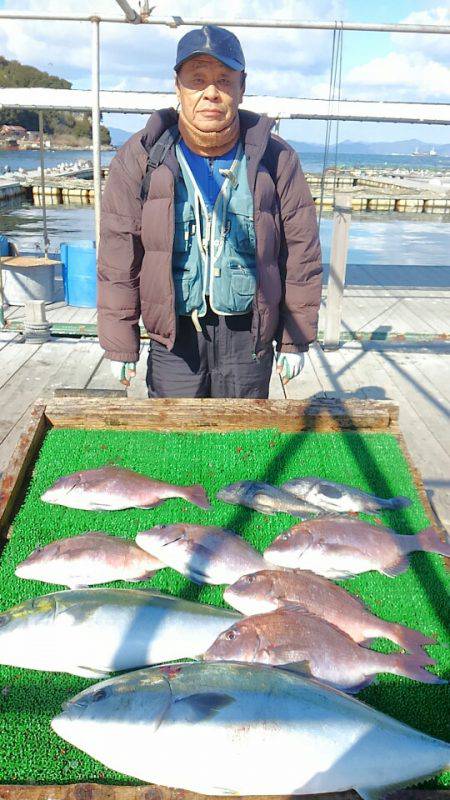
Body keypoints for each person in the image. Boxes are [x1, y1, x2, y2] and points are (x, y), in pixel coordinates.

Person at [98, 24, 322, 397]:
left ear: (241, 86)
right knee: (175, 442)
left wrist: (294, 337)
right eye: (197, 80)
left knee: (241, 442)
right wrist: (121, 341)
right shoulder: (140, 157)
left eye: (224, 79)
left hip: (249, 334)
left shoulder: (277, 158)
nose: (211, 93)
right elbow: (118, 255)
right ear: (178, 86)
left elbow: (301, 254)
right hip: (173, 337)